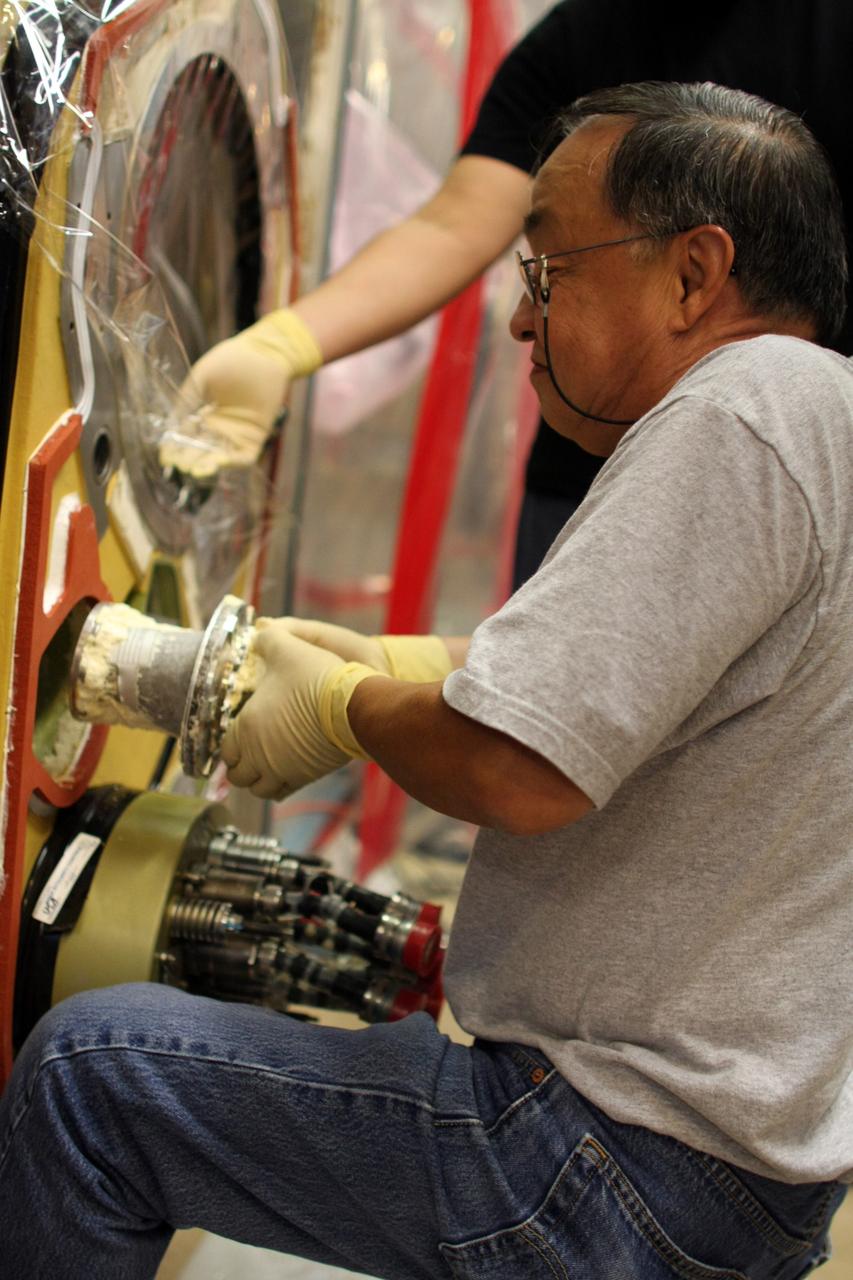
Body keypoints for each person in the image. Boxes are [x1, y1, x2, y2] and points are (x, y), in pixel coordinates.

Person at [2, 82, 851, 1278]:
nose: (518, 317)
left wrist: (344, 706)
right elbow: (656, 689)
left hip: (604, 1158)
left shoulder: (742, 410)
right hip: (742, 1178)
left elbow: (520, 762)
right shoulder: (825, 422)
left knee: (89, 1078)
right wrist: (400, 667)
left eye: (548, 268)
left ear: (693, 273)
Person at [162, 0, 853, 587]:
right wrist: (282, 344)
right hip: (586, 480)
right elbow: (458, 221)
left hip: (792, 489)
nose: (524, 327)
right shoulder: (590, 32)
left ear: (696, 276)